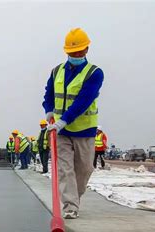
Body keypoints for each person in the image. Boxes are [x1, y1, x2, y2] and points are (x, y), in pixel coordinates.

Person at [43, 28, 104, 219]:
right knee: (64, 169)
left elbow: (84, 100)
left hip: (84, 130)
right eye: (72, 52)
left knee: (84, 169)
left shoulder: (94, 73)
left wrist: (63, 120)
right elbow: (49, 94)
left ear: (86, 50)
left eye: (79, 52)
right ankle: (70, 206)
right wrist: (49, 110)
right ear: (66, 52)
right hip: (61, 131)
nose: (76, 55)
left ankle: (74, 197)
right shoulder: (56, 71)